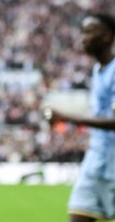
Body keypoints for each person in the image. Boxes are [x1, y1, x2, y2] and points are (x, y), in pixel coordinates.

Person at [46, 12, 115, 222]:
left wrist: (66, 117)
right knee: (78, 215)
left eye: (89, 32)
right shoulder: (98, 70)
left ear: (107, 36)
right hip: (96, 161)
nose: (83, 38)